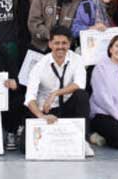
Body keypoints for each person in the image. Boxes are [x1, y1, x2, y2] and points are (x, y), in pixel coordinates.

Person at [24, 27, 93, 156]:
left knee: (81, 95)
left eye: (64, 43)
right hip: (47, 110)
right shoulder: (40, 65)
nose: (60, 47)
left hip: (68, 107)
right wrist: (42, 116)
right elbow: (29, 98)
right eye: (56, 43)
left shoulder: (77, 59)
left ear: (69, 44)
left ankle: (83, 140)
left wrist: (55, 93)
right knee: (25, 147)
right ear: (50, 44)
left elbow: (80, 84)